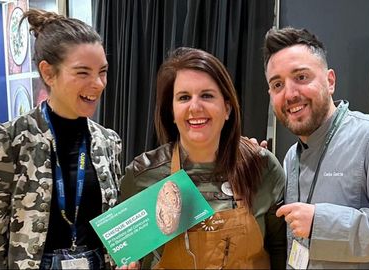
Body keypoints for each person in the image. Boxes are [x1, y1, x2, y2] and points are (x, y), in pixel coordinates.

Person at [263, 26, 369, 268]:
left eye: (301, 77)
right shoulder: (292, 157)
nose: (290, 93)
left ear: (330, 81)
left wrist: (321, 223)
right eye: (278, 85)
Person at [0, 9, 122, 269]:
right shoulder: (6, 140)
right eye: (83, 72)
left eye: (103, 71)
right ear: (49, 73)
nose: (98, 83)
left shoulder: (108, 141)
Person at [120, 47, 287, 269]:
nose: (195, 107)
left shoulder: (262, 167)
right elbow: (127, 252)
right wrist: (128, 261)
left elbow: (279, 249)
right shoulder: (142, 174)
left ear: (227, 108)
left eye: (207, 95)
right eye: (184, 97)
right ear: (171, 110)